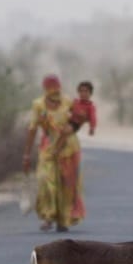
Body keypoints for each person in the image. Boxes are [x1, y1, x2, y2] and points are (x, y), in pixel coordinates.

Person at [23, 74, 85, 233]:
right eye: (51, 89)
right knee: (45, 180)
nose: (55, 92)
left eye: (56, 88)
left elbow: (80, 118)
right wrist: (27, 154)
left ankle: (63, 220)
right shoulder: (38, 105)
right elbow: (32, 129)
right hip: (48, 148)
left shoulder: (68, 102)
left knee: (66, 185)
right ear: (45, 89)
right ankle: (48, 216)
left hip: (68, 148)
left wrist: (72, 127)